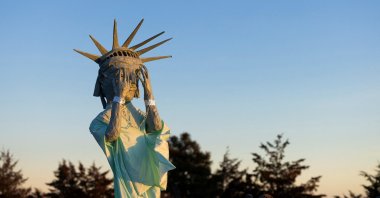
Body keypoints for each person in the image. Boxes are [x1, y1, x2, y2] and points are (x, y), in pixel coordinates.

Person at [89, 65, 175, 197]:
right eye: (122, 76)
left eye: (133, 76)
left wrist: (149, 96)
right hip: (128, 184)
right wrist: (119, 97)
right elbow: (112, 135)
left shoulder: (139, 114)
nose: (131, 82)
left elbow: (156, 129)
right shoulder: (99, 121)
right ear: (105, 82)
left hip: (148, 181)